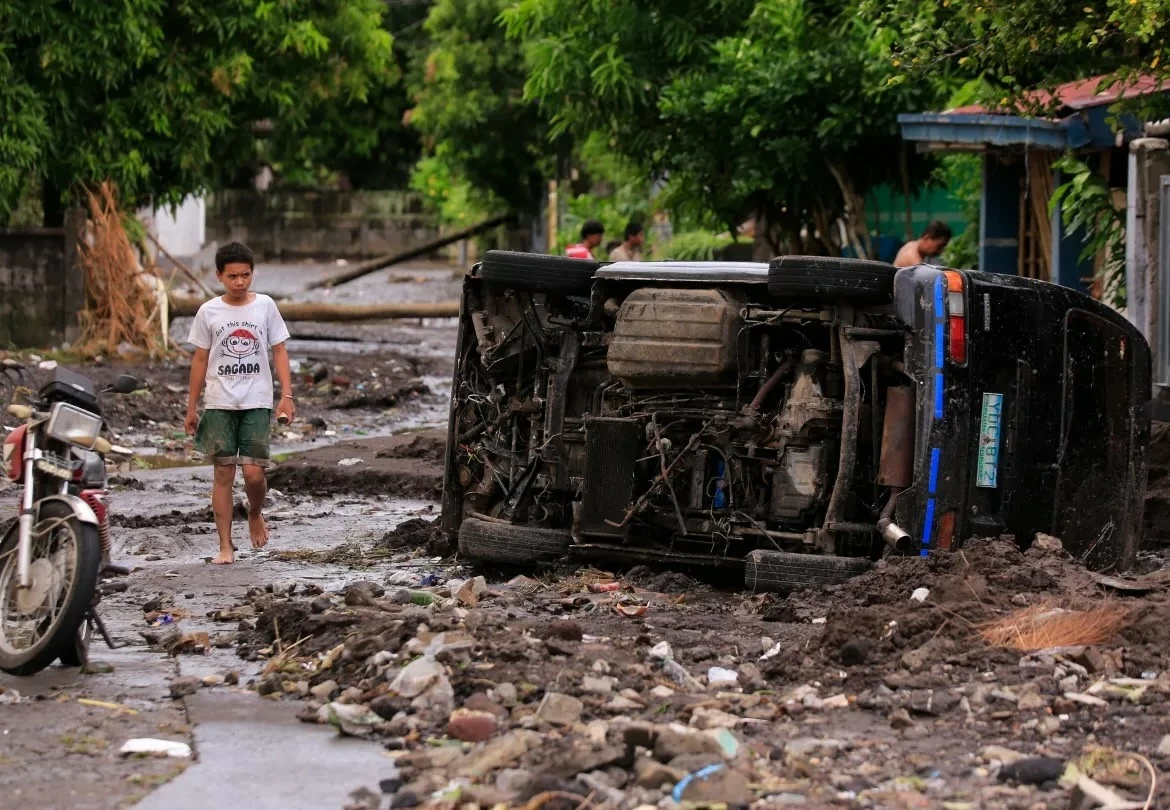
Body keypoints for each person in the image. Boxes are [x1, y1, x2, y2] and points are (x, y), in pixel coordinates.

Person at [184, 242, 294, 565]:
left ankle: (255, 512)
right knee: (223, 472)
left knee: (254, 474)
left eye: (245, 275)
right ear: (219, 276)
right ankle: (225, 546)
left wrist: (287, 395)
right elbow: (200, 359)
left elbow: (279, 350)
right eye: (232, 276)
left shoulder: (265, 306)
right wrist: (192, 407)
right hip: (219, 401)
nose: (240, 282)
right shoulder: (209, 312)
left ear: (252, 274)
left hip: (256, 399)